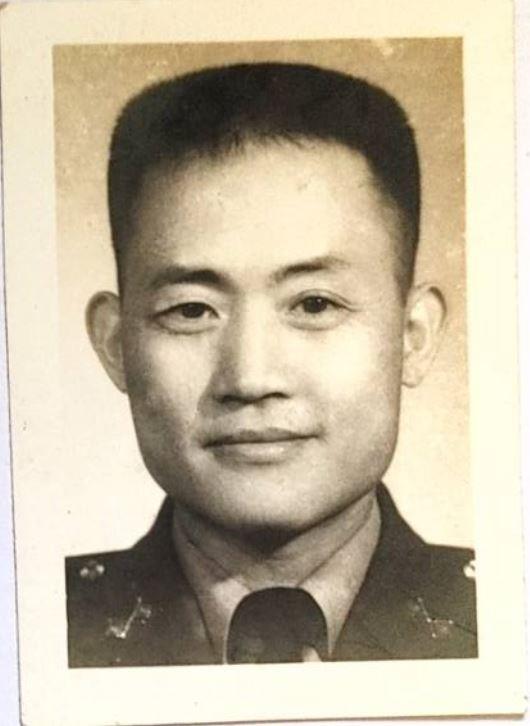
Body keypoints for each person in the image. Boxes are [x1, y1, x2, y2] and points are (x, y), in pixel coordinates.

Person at [65, 62, 477, 667]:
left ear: (413, 336)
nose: (251, 379)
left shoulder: (504, 618)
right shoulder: (37, 629)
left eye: (314, 304)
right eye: (191, 310)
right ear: (116, 344)